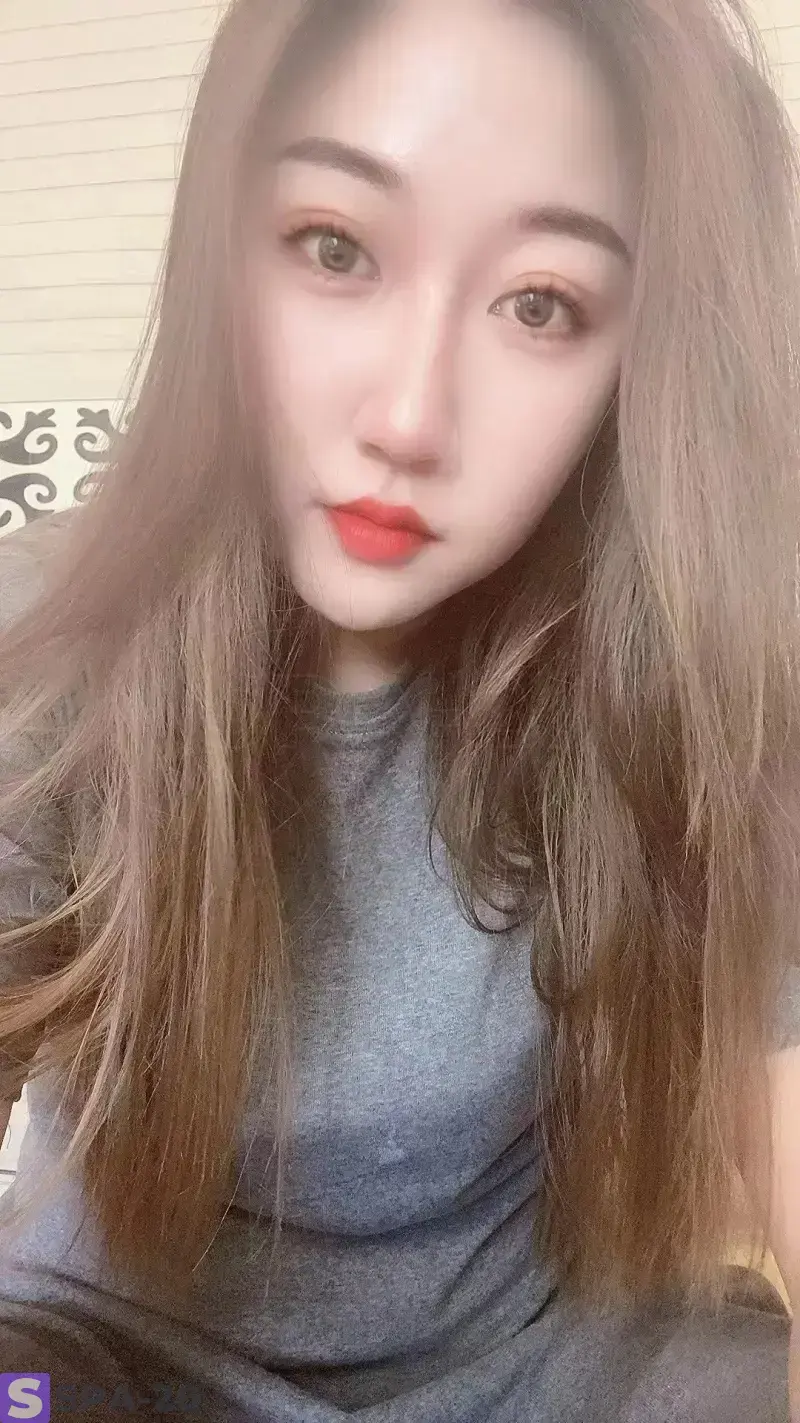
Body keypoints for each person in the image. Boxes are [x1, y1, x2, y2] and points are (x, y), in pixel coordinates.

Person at [1, 0, 799, 1417]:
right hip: (111, 1349)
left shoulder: (685, 684)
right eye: (336, 247)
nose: (410, 417)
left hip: (542, 1361)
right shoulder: (48, 646)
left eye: (539, 304)